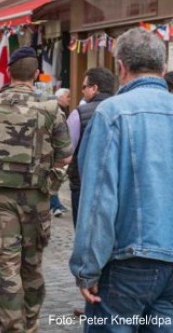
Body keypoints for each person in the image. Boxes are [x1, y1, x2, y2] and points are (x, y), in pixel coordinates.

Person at [0, 47, 72, 332]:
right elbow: (65, 154)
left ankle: (13, 326)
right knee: (32, 264)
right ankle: (31, 323)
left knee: (7, 265)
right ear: (36, 74)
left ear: (9, 72)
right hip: (36, 198)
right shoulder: (49, 108)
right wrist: (52, 183)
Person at [69, 28, 173, 330]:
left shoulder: (112, 113)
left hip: (128, 262)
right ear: (163, 68)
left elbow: (98, 199)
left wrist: (87, 269)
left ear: (122, 67)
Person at [65, 67, 117, 228]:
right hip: (115, 184)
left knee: (84, 231)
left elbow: (66, 153)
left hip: (83, 184)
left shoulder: (79, 114)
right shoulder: (123, 110)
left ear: (94, 88)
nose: (81, 91)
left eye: (84, 87)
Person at [49, 87, 72, 217]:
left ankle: (55, 203)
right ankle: (54, 205)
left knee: (56, 178)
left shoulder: (61, 109)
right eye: (67, 97)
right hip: (55, 150)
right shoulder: (55, 110)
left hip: (56, 150)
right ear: (60, 97)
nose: (69, 99)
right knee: (55, 177)